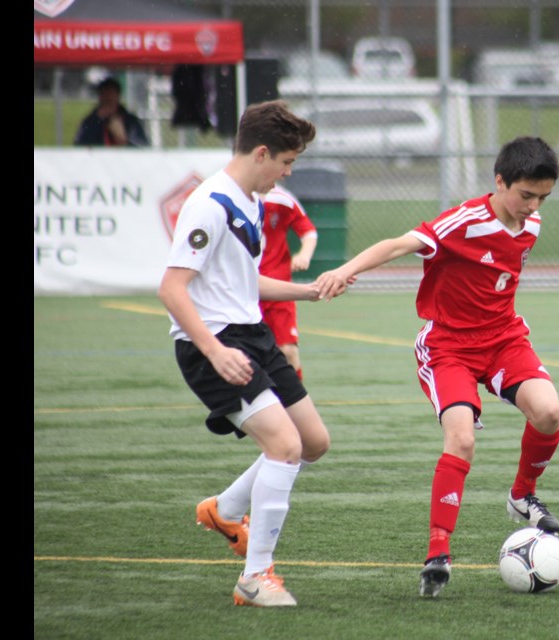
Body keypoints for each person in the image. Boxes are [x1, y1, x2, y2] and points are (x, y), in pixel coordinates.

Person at [315, 136, 559, 598]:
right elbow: (397, 245)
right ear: (499, 181)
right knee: (462, 437)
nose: (532, 206)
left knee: (549, 413)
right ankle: (437, 552)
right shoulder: (463, 221)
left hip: (504, 339)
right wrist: (344, 270)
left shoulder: (531, 226)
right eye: (525, 195)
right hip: (448, 346)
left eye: (542, 198)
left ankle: (521, 494)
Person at [158, 100, 331, 608]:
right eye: (287, 162)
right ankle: (255, 579)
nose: (288, 172)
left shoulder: (252, 197)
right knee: (284, 446)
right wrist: (213, 352)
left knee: (313, 442)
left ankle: (224, 509)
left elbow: (243, 281)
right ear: (262, 153)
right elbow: (172, 288)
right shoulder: (209, 204)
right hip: (212, 344)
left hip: (253, 334)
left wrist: (307, 292)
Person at [258, 185, 318, 381]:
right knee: (248, 356)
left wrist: (304, 255)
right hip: (245, 291)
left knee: (288, 351)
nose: (287, 172)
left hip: (278, 288)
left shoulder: (281, 199)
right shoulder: (229, 198)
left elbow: (308, 232)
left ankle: (295, 404)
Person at [73, 76, 150, 147]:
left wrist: (124, 141)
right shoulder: (90, 121)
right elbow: (79, 145)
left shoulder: (130, 121)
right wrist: (96, 119)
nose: (107, 99)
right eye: (104, 96)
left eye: (111, 96)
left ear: (118, 96)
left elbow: (142, 148)